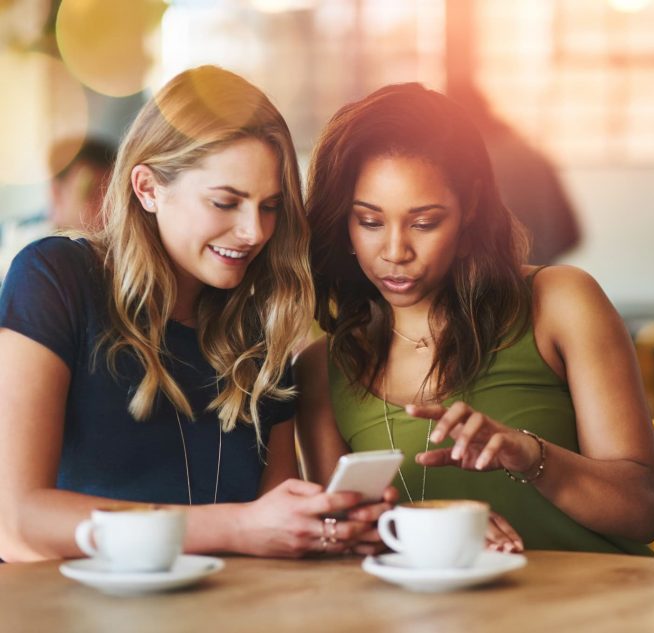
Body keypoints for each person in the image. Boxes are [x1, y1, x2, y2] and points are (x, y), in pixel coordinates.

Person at [0, 65, 390, 562]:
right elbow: (15, 520)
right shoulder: (56, 279)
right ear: (147, 188)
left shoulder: (259, 328)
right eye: (225, 202)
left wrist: (326, 526)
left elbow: (270, 531)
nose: (254, 231)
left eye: (270, 206)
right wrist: (236, 527)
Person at [296, 83, 654, 555]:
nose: (395, 252)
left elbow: (644, 510)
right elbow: (344, 542)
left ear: (470, 209)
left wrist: (531, 456)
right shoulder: (323, 369)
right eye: (369, 222)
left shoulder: (560, 302)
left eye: (425, 222)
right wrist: (413, 528)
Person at [447, 81, 581, 265]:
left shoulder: (472, 165)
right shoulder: (531, 155)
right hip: (541, 276)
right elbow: (571, 235)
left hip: (498, 280)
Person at [0, 137, 116, 280]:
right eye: (91, 192)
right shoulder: (12, 242)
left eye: (111, 193)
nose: (106, 204)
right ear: (56, 193)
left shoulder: (121, 248)